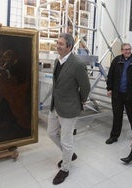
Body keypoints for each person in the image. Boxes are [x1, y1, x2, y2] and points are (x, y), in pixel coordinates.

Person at [47, 33, 90, 185]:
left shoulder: (77, 64)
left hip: (70, 108)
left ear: (69, 47)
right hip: (55, 106)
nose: (57, 46)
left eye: (61, 44)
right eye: (57, 42)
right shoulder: (57, 61)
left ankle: (65, 168)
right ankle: (69, 154)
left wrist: (80, 102)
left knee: (66, 141)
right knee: (51, 133)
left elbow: (85, 87)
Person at [106, 43, 132, 144]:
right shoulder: (116, 60)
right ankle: (114, 136)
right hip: (117, 94)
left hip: (130, 94)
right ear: (122, 51)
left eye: (129, 49)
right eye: (125, 49)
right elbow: (110, 75)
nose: (127, 51)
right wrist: (109, 88)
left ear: (131, 49)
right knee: (117, 115)